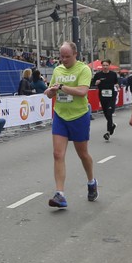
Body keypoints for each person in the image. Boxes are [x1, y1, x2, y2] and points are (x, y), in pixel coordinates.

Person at [44, 42, 98, 208]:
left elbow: (82, 91)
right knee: (57, 154)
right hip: (60, 115)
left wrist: (62, 87)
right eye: (62, 56)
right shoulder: (58, 70)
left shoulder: (84, 69)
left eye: (67, 56)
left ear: (75, 54)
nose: (64, 59)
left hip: (79, 116)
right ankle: (60, 194)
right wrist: (51, 91)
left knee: (83, 154)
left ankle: (91, 181)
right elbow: (49, 93)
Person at [90, 66, 120, 141]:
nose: (105, 67)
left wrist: (117, 85)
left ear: (109, 66)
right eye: (104, 65)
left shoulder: (113, 74)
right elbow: (92, 83)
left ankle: (108, 133)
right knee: (106, 114)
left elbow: (116, 82)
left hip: (111, 96)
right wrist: (96, 83)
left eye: (106, 65)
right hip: (102, 96)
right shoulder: (98, 75)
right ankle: (112, 125)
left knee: (109, 114)